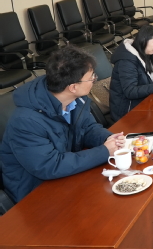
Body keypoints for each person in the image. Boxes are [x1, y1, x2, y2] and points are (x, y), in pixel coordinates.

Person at [0, 46, 126, 203]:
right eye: (91, 77)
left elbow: (87, 128)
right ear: (73, 87)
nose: (95, 79)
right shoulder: (25, 121)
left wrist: (110, 140)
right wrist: (104, 151)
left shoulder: (75, 99)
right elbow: (50, 166)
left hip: (66, 176)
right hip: (36, 194)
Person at [110, 25, 153, 120]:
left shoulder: (145, 53)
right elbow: (130, 91)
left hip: (143, 101)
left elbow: (152, 77)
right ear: (144, 40)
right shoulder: (126, 61)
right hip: (127, 111)